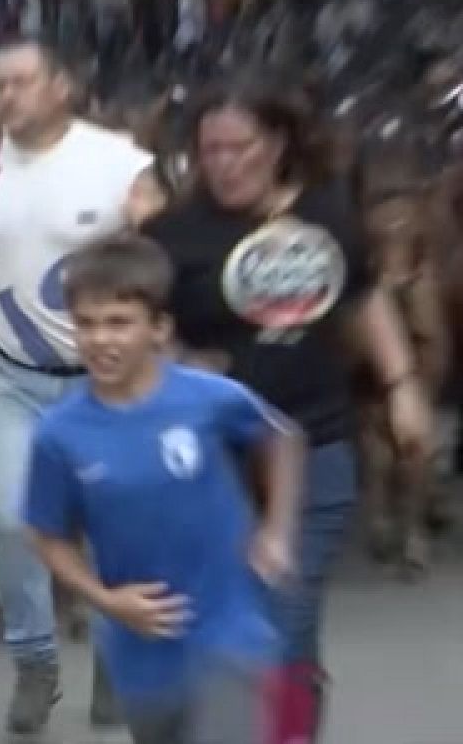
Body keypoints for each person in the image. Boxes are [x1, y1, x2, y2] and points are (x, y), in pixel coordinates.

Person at [141, 81, 430, 744]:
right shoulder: (173, 235)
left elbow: (363, 298)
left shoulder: (328, 216)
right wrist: (180, 353)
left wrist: (403, 383)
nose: (223, 163)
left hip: (315, 446)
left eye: (238, 147)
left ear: (274, 146)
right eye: (210, 149)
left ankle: (286, 732)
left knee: (284, 615)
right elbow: (134, 328)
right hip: (208, 461)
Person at [0, 37, 153, 737]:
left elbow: (160, 240)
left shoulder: (117, 161)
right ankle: (34, 661)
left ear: (62, 88)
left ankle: (119, 657)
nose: (7, 95)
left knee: (116, 524)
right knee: (8, 521)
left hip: (107, 382)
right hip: (11, 377)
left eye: (22, 81)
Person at [23, 234, 303, 744]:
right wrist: (103, 600)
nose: (101, 340)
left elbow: (282, 438)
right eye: (86, 324)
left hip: (231, 634)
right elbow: (46, 534)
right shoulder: (60, 434)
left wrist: (277, 531)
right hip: (143, 654)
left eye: (119, 323)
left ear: (158, 329)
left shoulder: (209, 398)